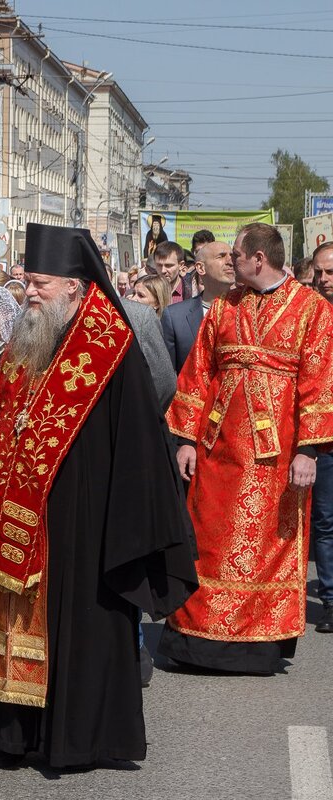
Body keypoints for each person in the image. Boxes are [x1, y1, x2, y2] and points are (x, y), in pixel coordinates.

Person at [0, 223, 197, 770]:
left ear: (73, 287)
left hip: (89, 516)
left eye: (40, 284)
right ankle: (18, 734)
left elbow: (139, 439)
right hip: (27, 514)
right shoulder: (29, 338)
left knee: (84, 623)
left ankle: (79, 739)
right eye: (27, 281)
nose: (29, 292)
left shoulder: (109, 346)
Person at [160, 223, 333, 675]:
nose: (228, 261)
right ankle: (196, 639)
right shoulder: (224, 306)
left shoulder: (312, 309)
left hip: (277, 455)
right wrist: (185, 440)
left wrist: (309, 450)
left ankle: (255, 645)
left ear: (258, 258)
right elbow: (198, 372)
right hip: (217, 449)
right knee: (209, 538)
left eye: (234, 255)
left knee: (266, 544)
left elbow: (320, 382)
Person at [161, 240, 235, 374]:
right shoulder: (175, 317)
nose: (230, 261)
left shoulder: (247, 311)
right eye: (221, 256)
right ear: (201, 268)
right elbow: (167, 374)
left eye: (232, 256)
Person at [311, 242, 333, 634]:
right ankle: (331, 599)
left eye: (330, 271)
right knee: (326, 520)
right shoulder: (311, 313)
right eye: (319, 273)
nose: (324, 279)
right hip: (324, 436)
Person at [152, 240, 192, 305]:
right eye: (159, 265)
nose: (163, 270)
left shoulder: (193, 292)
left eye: (168, 265)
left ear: (181, 265)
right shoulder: (147, 291)